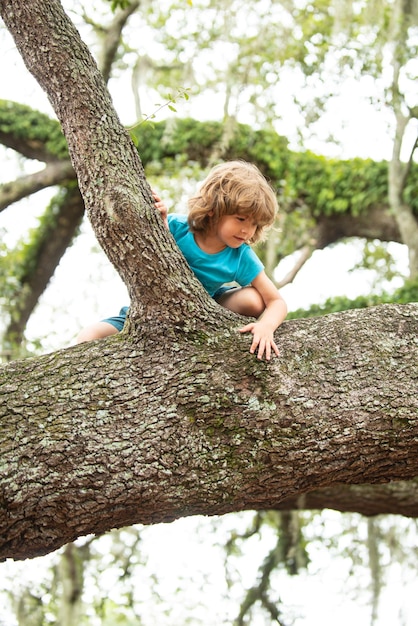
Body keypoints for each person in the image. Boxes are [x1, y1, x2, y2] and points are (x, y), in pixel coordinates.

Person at [76, 160, 287, 360]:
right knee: (87, 337)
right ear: (214, 209)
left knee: (254, 299)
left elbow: (276, 302)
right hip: (149, 313)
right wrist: (160, 222)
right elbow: (157, 251)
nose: (246, 230)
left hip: (205, 311)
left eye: (254, 225)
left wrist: (266, 326)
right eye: (240, 219)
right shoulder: (179, 227)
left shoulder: (240, 255)